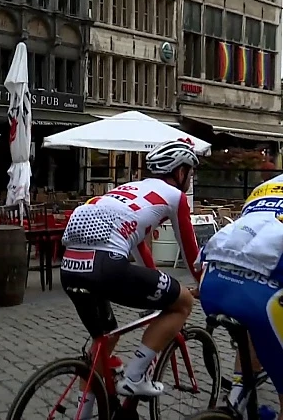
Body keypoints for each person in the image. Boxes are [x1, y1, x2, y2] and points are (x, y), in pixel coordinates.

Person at [60, 139, 201, 411]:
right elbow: (192, 256)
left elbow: (137, 244)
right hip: (106, 267)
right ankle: (135, 377)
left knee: (105, 339)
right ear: (180, 173)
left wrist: (158, 282)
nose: (189, 179)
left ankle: (84, 413)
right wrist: (202, 283)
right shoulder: (175, 197)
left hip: (71, 266)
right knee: (182, 302)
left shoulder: (126, 190)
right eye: (190, 173)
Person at [199, 173, 283, 419]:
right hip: (262, 299)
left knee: (251, 329)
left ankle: (237, 398)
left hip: (213, 284)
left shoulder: (265, 186)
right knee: (263, 323)